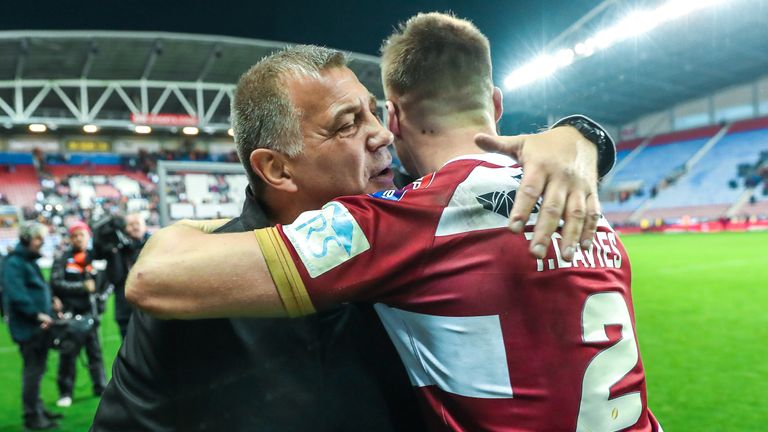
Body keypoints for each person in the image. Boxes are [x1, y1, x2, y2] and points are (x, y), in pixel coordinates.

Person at [127, 13, 661, 432]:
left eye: (376, 114)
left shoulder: (400, 226)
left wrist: (577, 136)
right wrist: (578, 135)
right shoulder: (580, 206)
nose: (380, 135)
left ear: (397, 117)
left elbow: (154, 277)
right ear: (496, 104)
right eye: (348, 123)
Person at [1, 222, 64, 430]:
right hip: (29, 327)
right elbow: (17, 295)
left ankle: (37, 408)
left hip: (39, 325)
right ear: (27, 239)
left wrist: (52, 301)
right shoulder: (14, 263)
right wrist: (38, 315)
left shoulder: (27, 261)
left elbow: (38, 288)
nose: (42, 242)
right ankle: (31, 416)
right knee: (33, 371)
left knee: (38, 369)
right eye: (38, 238)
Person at [50, 221, 107, 408]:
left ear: (88, 236)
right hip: (70, 316)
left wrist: (100, 304)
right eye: (74, 235)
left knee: (96, 354)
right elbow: (55, 283)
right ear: (70, 238)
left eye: (81, 235)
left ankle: (100, 387)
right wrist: (81, 287)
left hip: (91, 315)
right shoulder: (63, 259)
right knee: (68, 356)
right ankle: (65, 393)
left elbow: (105, 285)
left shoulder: (95, 258)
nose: (78, 238)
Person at [92, 212, 148, 338]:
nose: (134, 227)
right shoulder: (116, 247)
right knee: (128, 345)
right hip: (125, 306)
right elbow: (96, 253)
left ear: (145, 226)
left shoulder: (153, 244)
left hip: (149, 306)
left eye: (137, 223)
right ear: (123, 229)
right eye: (131, 224)